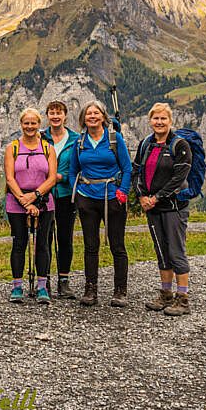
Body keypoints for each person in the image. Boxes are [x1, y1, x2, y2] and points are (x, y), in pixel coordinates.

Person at [68, 99, 133, 307]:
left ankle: (120, 291)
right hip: (87, 198)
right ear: (83, 119)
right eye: (89, 114)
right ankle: (90, 289)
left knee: (117, 245)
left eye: (96, 113)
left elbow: (127, 168)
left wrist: (122, 191)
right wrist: (77, 193)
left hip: (113, 198)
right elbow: (72, 171)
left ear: (104, 117)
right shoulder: (80, 142)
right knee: (90, 245)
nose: (93, 117)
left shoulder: (115, 139)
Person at [131, 103, 193, 316]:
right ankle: (166, 294)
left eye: (163, 119)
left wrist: (156, 198)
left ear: (170, 121)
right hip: (152, 207)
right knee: (161, 250)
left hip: (174, 207)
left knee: (176, 250)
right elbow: (136, 170)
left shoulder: (180, 145)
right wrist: (141, 196)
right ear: (150, 121)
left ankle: (182, 299)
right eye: (156, 119)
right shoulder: (146, 144)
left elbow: (179, 178)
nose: (159, 122)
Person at [3, 108, 58, 304]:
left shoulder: (48, 148)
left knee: (43, 244)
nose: (30, 126)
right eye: (26, 123)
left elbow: (52, 178)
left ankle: (42, 287)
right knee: (19, 243)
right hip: (16, 201)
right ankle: (17, 287)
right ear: (21, 124)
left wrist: (34, 197)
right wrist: (23, 199)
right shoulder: (13, 148)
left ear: (39, 124)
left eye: (33, 123)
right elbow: (9, 177)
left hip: (43, 201)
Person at [42, 100, 78, 299]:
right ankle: (44, 279)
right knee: (44, 238)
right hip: (44, 195)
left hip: (65, 194)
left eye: (59, 113)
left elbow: (78, 165)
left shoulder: (75, 139)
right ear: (47, 115)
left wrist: (61, 176)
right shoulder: (41, 137)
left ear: (65, 116)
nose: (55, 116)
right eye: (52, 113)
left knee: (65, 237)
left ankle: (63, 281)